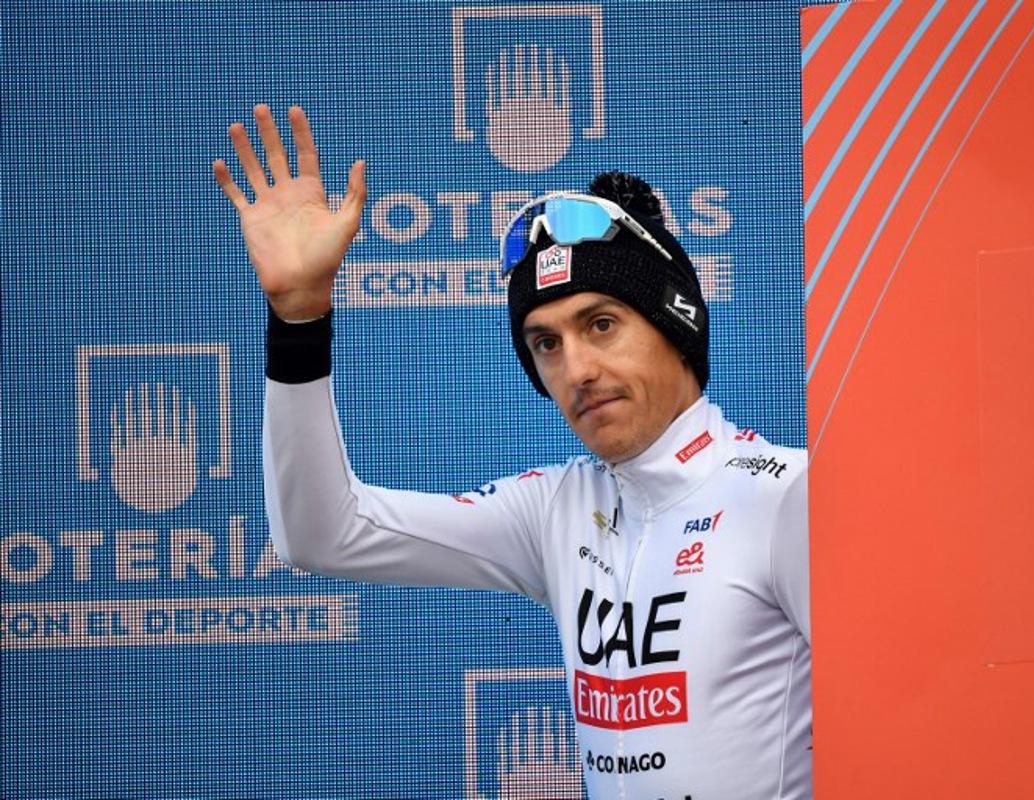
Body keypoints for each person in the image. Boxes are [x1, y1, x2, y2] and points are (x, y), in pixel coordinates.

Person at [214, 104, 812, 800]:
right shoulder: (557, 509)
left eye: (602, 325)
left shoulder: (788, 494)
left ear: (675, 323)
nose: (577, 368)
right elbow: (322, 534)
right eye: (546, 344)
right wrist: (299, 321)